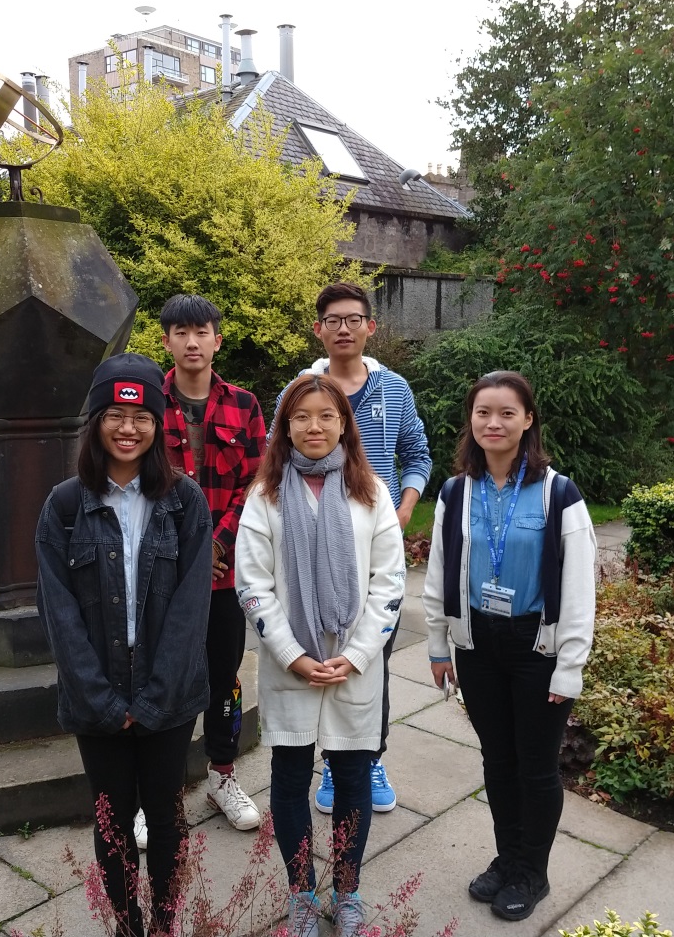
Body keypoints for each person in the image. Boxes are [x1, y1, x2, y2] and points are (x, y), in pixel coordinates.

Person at [35, 353, 213, 937]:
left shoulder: (184, 501)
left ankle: (163, 922)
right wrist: (103, 701)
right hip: (97, 692)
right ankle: (126, 924)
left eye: (141, 418)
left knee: (165, 814)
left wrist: (157, 697)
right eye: (114, 415)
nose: (128, 429)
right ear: (96, 423)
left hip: (169, 691)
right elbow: (58, 613)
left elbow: (191, 608)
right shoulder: (65, 506)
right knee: (111, 820)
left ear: (158, 425)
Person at [422, 371, 596, 923]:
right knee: (498, 761)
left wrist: (570, 666)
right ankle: (508, 858)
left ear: (528, 420)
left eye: (506, 413)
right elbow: (439, 573)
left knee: (536, 768)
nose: (493, 423)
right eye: (483, 413)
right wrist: (438, 645)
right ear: (471, 421)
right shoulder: (456, 492)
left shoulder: (558, 494)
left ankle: (531, 872)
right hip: (477, 644)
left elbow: (579, 589)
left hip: (536, 649)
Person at [237, 373, 406, 937]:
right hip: (293, 667)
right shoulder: (265, 495)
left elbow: (390, 582)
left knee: (354, 778)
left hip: (354, 666)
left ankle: (348, 891)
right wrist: (291, 653)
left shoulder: (371, 492)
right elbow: (252, 583)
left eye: (326, 416)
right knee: (288, 780)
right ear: (285, 427)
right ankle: (302, 894)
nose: (315, 426)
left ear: (343, 425)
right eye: (302, 416)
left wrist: (357, 655)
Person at [282, 282, 432, 815]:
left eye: (353, 319)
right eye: (333, 320)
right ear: (318, 329)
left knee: (371, 657)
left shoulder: (394, 389)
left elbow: (417, 453)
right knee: (315, 653)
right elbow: (278, 457)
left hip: (375, 547)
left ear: (370, 326)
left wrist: (405, 507)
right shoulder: (300, 390)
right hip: (311, 548)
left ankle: (368, 757)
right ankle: (330, 760)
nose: (343, 328)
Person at [157, 293, 267, 834]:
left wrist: (215, 547)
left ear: (217, 340)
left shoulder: (245, 405)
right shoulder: (148, 403)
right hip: (163, 574)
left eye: (201, 331)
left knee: (224, 677)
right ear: (167, 342)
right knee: (163, 678)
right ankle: (159, 790)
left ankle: (222, 774)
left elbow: (256, 484)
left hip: (224, 576)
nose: (192, 341)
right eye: (181, 332)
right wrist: (187, 552)